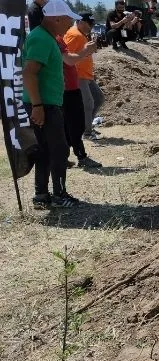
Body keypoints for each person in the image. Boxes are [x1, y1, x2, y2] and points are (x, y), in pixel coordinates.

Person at [22, 1, 82, 208]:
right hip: (44, 105)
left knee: (47, 150)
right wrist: (38, 106)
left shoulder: (47, 37)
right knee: (59, 151)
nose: (71, 23)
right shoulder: (41, 39)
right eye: (68, 19)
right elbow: (29, 73)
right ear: (56, 19)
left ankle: (42, 196)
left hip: (46, 103)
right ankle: (58, 195)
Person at [66, 13, 105, 141]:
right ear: (81, 21)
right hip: (78, 75)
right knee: (88, 103)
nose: (91, 26)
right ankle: (86, 133)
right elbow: (67, 56)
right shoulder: (74, 34)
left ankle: (86, 127)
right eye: (89, 23)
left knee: (98, 98)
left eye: (92, 24)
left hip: (86, 75)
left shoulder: (81, 34)